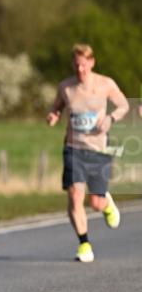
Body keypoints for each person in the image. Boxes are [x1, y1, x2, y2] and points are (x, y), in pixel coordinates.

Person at [46, 43, 129, 262]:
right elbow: (57, 106)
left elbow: (123, 105)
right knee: (74, 195)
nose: (80, 70)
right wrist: (53, 115)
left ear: (91, 62)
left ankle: (106, 203)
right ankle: (84, 244)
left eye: (83, 65)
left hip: (99, 149)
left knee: (96, 204)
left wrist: (111, 118)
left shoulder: (105, 84)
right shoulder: (66, 87)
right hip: (74, 148)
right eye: (76, 65)